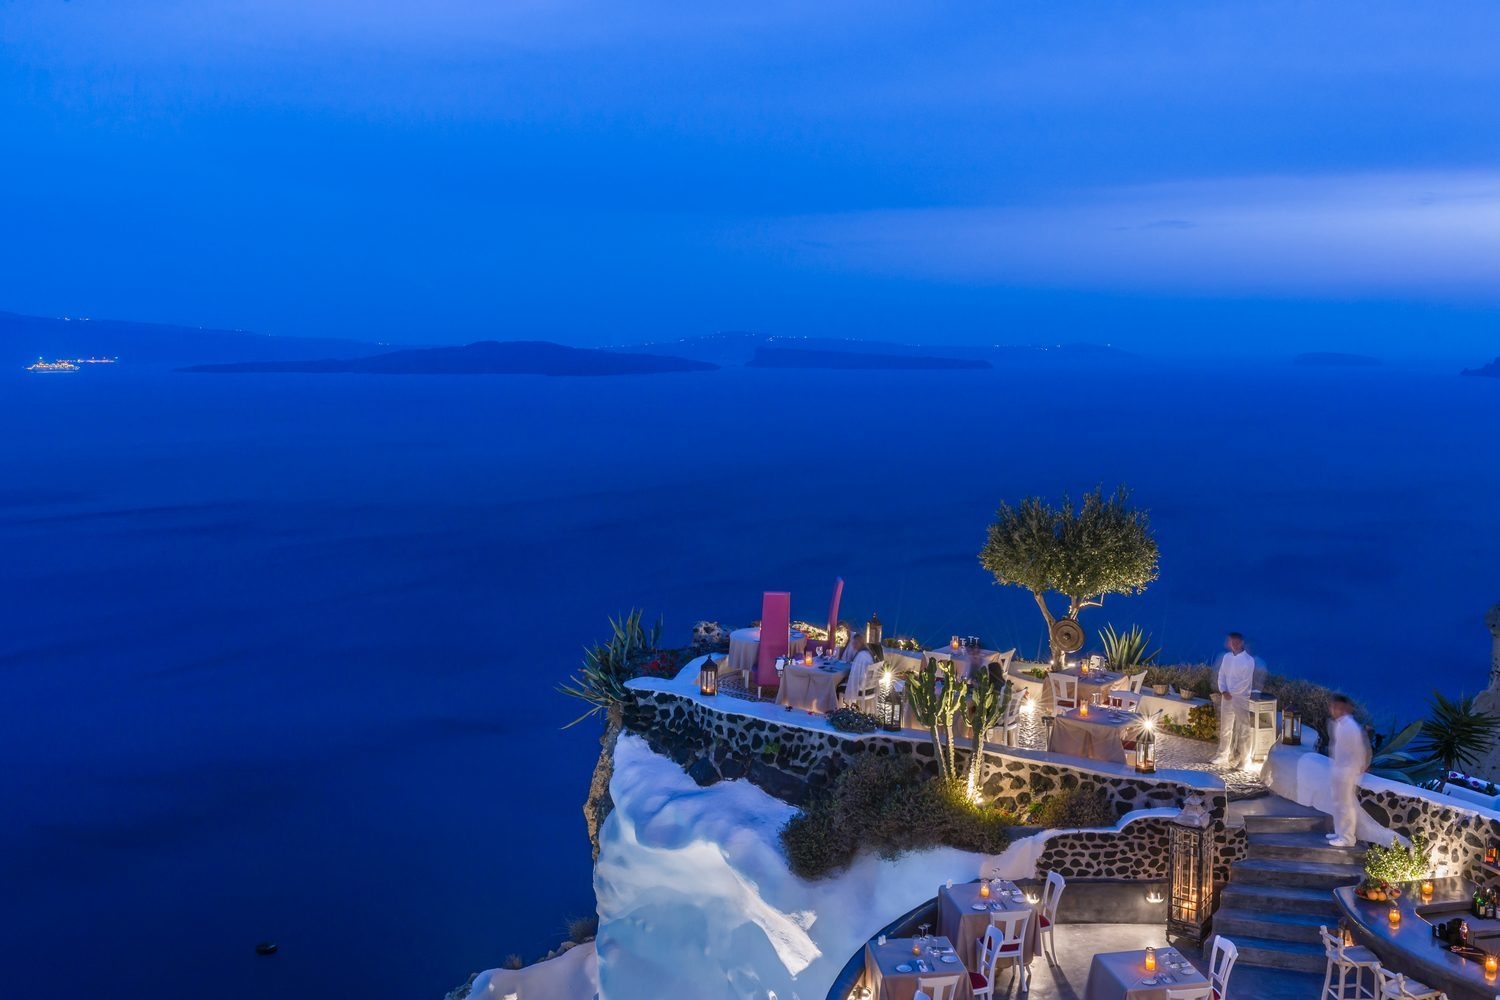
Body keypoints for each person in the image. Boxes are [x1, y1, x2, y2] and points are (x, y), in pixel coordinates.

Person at [1327, 694, 1370, 848]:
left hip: (1347, 771)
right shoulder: (1339, 725)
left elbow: (1359, 750)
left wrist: (1356, 769)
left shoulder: (1351, 727)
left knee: (1345, 804)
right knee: (1338, 803)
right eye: (1333, 707)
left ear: (1344, 708)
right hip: (1339, 769)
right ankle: (1339, 832)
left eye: (1336, 707)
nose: (1333, 710)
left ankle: (1347, 838)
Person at [1211, 632, 1256, 769]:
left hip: (1241, 698)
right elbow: (1222, 675)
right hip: (1227, 697)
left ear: (1241, 643)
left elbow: (1245, 681)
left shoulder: (1248, 660)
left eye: (1236, 642)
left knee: (1243, 728)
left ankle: (1245, 759)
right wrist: (1223, 690)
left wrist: (1233, 693)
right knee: (1225, 727)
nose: (1234, 644)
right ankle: (1222, 755)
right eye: (1232, 642)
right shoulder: (1227, 657)